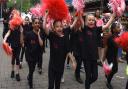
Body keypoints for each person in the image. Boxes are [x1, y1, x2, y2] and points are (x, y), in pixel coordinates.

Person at [79, 12, 115, 89]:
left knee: (95, 77)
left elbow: (107, 26)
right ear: (86, 21)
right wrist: (79, 11)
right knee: (88, 76)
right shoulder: (84, 28)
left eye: (92, 20)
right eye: (89, 20)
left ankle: (87, 84)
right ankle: (87, 86)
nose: (91, 21)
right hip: (86, 57)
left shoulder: (97, 29)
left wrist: (113, 16)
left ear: (95, 21)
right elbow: (80, 19)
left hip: (94, 57)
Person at [43, 10, 77, 89]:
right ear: (54, 28)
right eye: (57, 26)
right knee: (51, 86)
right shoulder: (52, 36)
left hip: (60, 66)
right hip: (52, 66)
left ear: (63, 27)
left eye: (61, 26)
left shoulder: (65, 38)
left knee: (57, 85)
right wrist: (46, 16)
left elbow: (68, 51)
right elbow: (44, 27)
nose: (59, 28)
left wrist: (73, 61)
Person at [21, 17, 44, 89]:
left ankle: (29, 76)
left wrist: (38, 34)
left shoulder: (40, 33)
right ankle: (30, 85)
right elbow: (23, 43)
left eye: (38, 23)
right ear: (33, 25)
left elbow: (41, 44)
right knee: (31, 70)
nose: (37, 24)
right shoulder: (28, 34)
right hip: (29, 56)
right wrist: (21, 32)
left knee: (32, 69)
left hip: (36, 56)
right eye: (35, 23)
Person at [104, 23, 120, 89]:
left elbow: (118, 48)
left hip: (114, 55)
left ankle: (107, 74)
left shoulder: (119, 37)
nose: (119, 28)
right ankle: (108, 82)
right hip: (109, 55)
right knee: (114, 69)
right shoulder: (110, 37)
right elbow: (106, 47)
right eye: (118, 27)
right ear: (113, 29)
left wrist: (117, 57)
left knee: (115, 70)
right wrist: (103, 57)